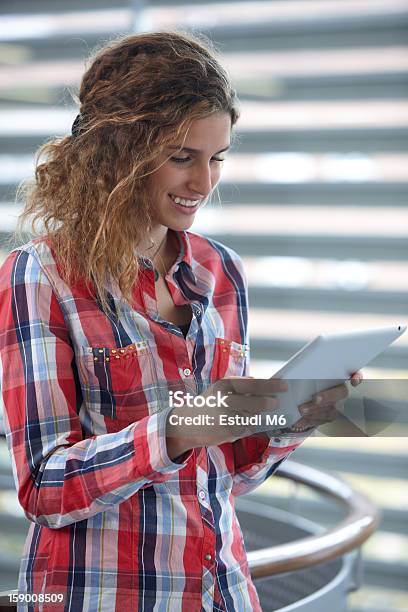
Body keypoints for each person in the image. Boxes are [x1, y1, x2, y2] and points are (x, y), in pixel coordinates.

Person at [0, 31, 362, 612]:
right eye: (181, 157)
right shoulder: (40, 276)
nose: (204, 184)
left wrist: (293, 414)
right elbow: (45, 488)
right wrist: (175, 430)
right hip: (99, 595)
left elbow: (226, 476)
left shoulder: (222, 272)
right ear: (117, 151)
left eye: (217, 158)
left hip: (223, 591)